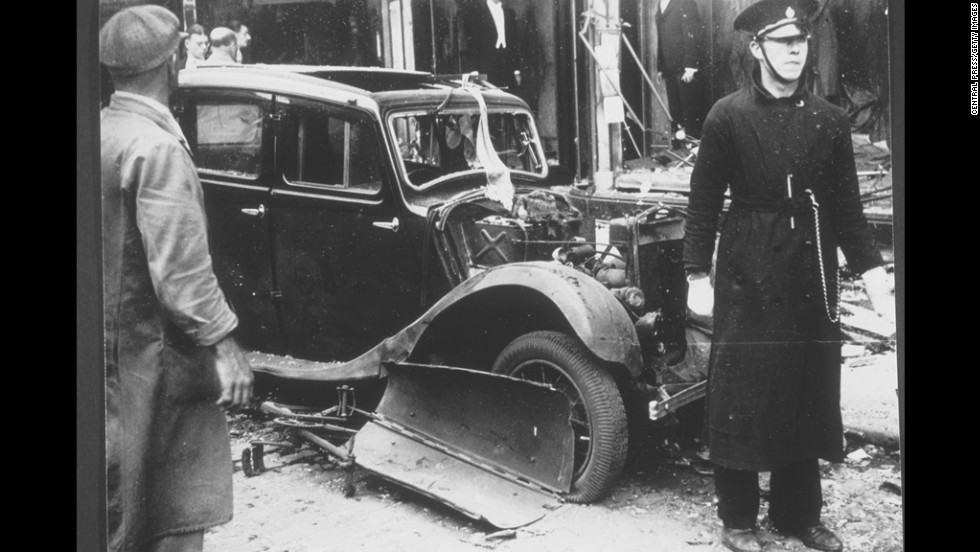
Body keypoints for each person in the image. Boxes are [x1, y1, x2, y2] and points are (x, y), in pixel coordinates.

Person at [681, 1, 893, 551]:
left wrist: (874, 276)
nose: (796, 51)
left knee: (805, 387)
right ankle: (739, 520)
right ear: (756, 48)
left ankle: (799, 516)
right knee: (744, 390)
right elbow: (702, 203)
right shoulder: (726, 116)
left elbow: (846, 208)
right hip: (747, 263)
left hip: (809, 266)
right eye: (782, 42)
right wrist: (695, 273)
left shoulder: (830, 119)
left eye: (801, 41)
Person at [100, 5, 254, 551]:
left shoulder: (102, 130)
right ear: (170, 65)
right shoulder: (156, 147)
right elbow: (182, 277)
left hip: (111, 371)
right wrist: (227, 348)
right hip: (157, 371)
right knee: (171, 519)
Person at [655, 0, 707, 142]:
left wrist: (690, 67)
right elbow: (661, 37)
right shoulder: (661, 4)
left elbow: (691, 34)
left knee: (689, 110)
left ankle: (693, 145)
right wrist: (660, 67)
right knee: (675, 110)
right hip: (669, 67)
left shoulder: (685, 2)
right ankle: (680, 147)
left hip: (684, 67)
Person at [458, 0, 522, 92]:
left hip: (507, 66)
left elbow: (514, 43)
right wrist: (473, 69)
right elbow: (471, 45)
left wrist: (516, 70)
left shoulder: (510, 13)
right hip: (486, 67)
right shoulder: (477, 14)